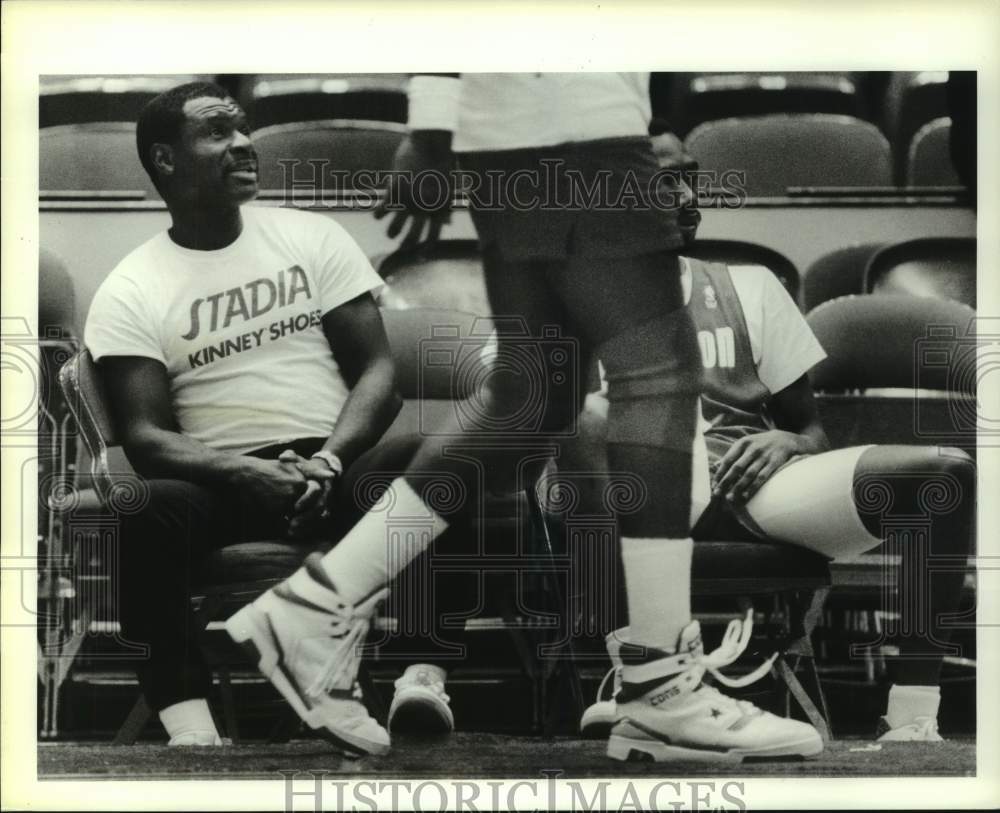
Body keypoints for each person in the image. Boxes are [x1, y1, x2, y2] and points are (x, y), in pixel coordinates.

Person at [227, 74, 823, 762]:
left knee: (532, 398)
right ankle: (662, 684)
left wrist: (440, 127)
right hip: (577, 123)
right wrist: (427, 129)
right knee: (656, 376)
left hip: (519, 136)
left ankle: (314, 604)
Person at [573, 133, 976, 743]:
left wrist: (788, 443)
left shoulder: (751, 287)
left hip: (753, 491)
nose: (686, 196)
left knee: (945, 472)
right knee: (587, 418)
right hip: (637, 493)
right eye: (664, 183)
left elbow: (811, 428)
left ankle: (914, 715)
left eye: (691, 177)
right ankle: (636, 677)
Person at [83, 81, 406, 749]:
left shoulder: (310, 236)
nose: (243, 143)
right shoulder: (133, 285)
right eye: (217, 132)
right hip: (223, 484)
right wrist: (247, 475)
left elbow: (378, 372)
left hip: (335, 464)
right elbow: (145, 437)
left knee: (441, 459)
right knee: (142, 505)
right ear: (166, 161)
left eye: (242, 128)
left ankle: (420, 680)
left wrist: (328, 460)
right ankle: (189, 724)